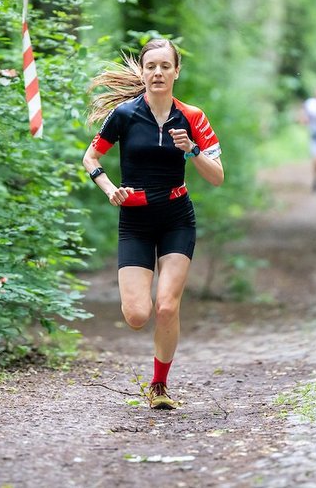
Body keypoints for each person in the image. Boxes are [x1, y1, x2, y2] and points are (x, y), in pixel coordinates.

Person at [82, 38, 224, 410]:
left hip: (177, 216)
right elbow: (91, 156)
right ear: (143, 72)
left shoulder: (192, 117)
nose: (158, 72)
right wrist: (109, 187)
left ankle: (159, 387)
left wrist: (191, 149)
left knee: (165, 307)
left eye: (165, 66)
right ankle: (156, 377)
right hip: (136, 220)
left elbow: (217, 177)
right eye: (151, 66)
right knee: (137, 315)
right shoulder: (126, 115)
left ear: (177, 71)